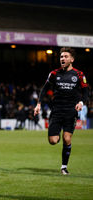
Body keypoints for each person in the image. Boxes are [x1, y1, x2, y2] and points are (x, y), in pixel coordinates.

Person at [34, 47, 88, 175]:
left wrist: (81, 102)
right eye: (61, 57)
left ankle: (64, 167)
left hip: (71, 111)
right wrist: (38, 104)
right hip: (57, 111)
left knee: (67, 138)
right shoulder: (54, 74)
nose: (62, 59)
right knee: (53, 141)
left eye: (65, 57)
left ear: (72, 59)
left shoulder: (79, 75)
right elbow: (44, 89)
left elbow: (86, 91)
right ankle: (56, 135)